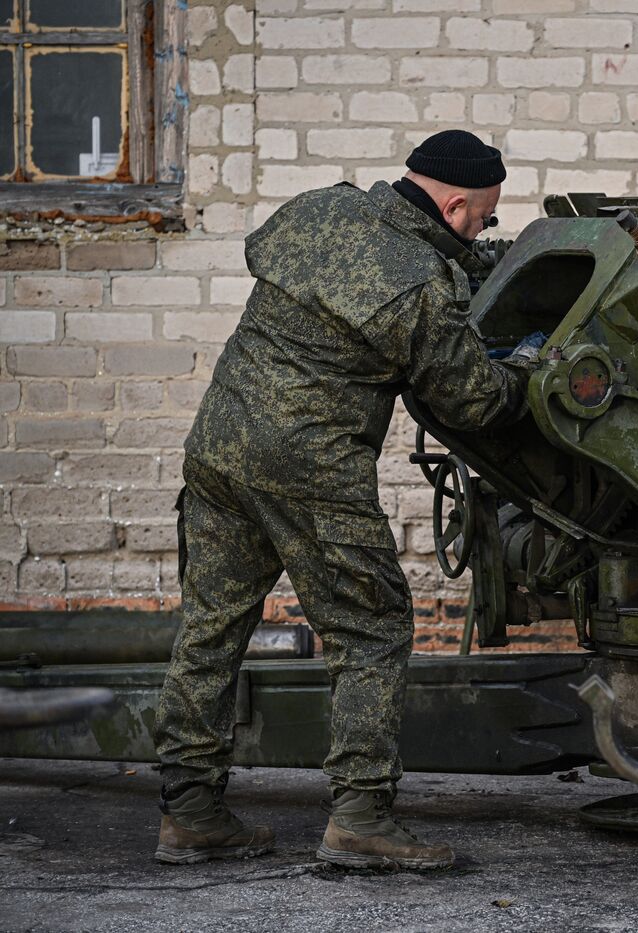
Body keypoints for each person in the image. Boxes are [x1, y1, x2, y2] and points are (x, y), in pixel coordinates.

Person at [152, 131, 538, 869]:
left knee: (210, 626)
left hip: (221, 442)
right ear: (456, 206)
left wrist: (479, 258)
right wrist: (525, 370)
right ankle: (360, 815)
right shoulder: (422, 287)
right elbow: (472, 401)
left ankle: (191, 811)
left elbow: (371, 267)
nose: (482, 230)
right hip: (309, 464)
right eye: (484, 220)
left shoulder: (320, 211)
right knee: (372, 626)